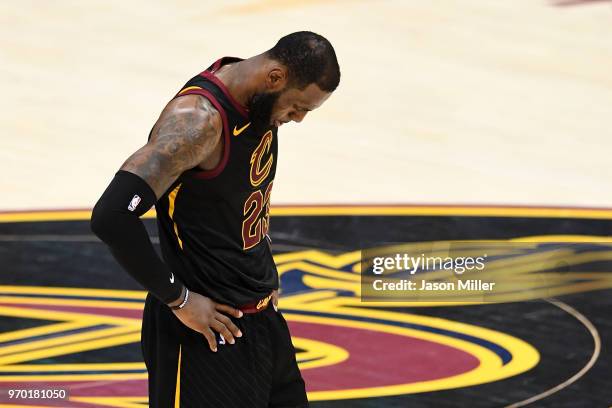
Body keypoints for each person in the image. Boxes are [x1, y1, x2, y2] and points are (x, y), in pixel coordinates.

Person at [90, 31, 340, 407]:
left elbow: (238, 200)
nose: (300, 119)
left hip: (262, 323)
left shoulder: (259, 102)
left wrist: (260, 271)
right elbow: (111, 216)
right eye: (298, 107)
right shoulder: (197, 123)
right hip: (204, 336)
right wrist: (179, 299)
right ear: (275, 77)